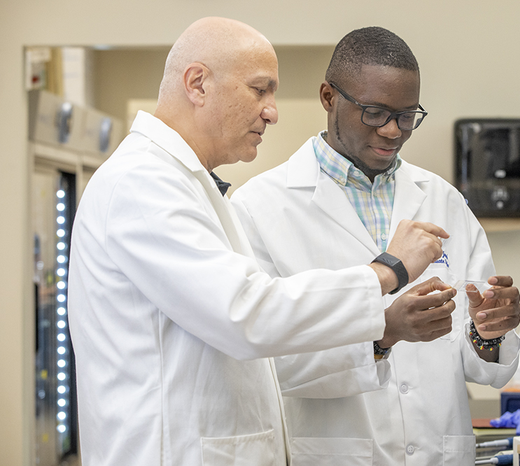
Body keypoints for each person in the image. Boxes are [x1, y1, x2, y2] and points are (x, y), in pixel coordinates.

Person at [67, 18, 455, 466]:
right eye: (260, 89)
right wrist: (388, 270)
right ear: (197, 84)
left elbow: (264, 360)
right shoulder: (141, 183)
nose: (273, 111)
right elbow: (247, 312)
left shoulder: (187, 185)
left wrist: (382, 333)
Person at [231, 26, 520, 466]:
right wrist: (381, 334)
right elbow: (262, 368)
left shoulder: (442, 199)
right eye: (375, 113)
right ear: (329, 97)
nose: (393, 131)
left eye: (407, 116)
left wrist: (488, 330)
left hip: (440, 451)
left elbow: (476, 361)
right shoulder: (258, 207)